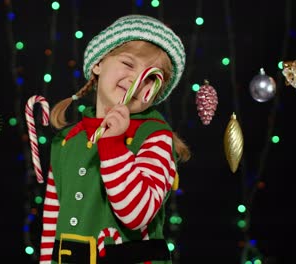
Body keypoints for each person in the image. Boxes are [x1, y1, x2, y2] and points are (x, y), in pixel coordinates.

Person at [39, 14, 191, 264]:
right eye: (128, 64)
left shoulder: (155, 137)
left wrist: (113, 145)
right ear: (99, 63)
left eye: (151, 77)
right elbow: (52, 220)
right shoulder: (67, 141)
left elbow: (137, 214)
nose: (135, 80)